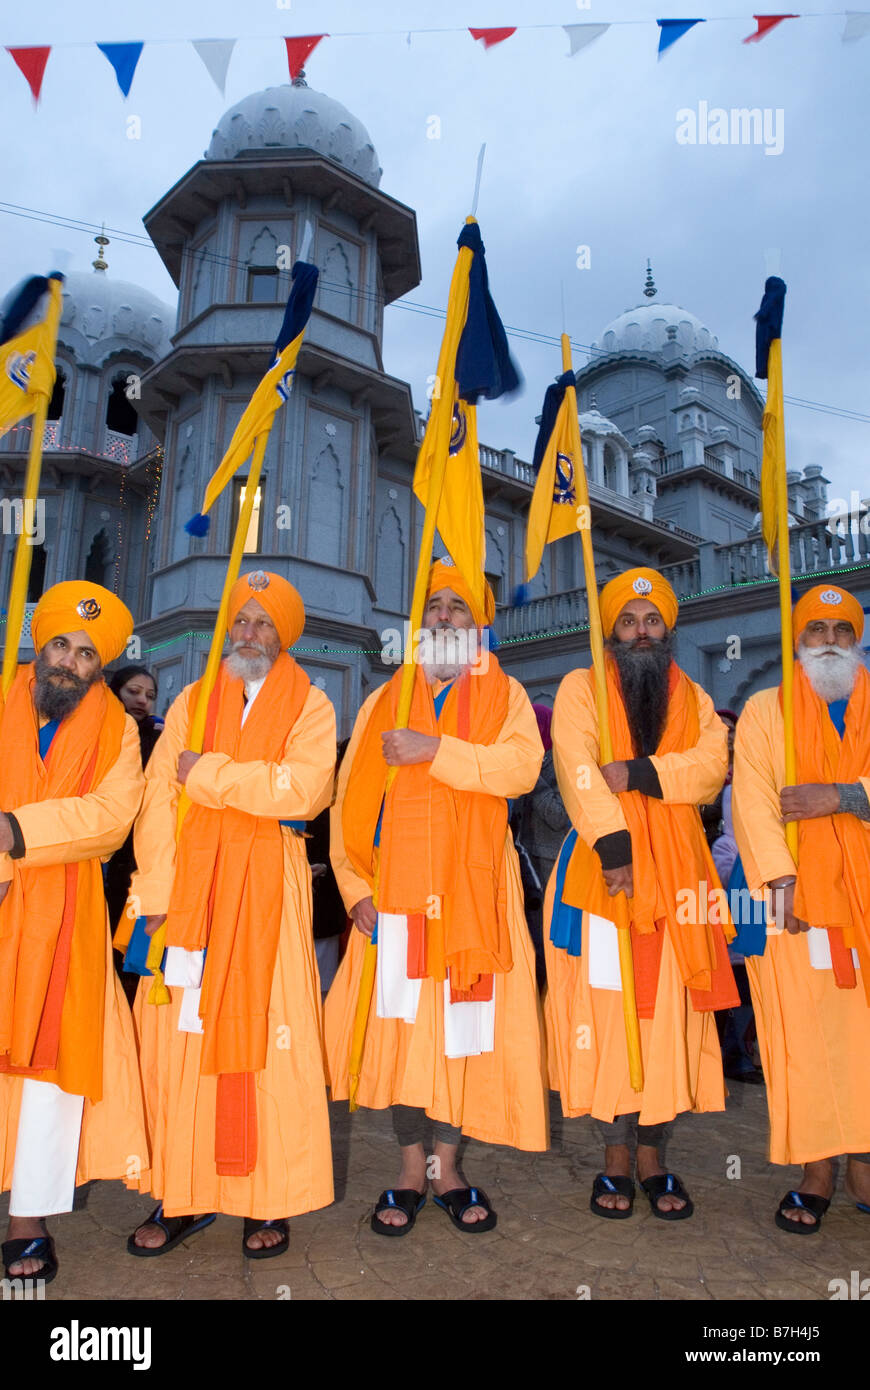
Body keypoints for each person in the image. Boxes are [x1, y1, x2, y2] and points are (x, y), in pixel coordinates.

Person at [325, 558, 548, 1236]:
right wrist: (356, 886)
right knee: (405, 1030)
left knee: (460, 1030)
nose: (446, 616)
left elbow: (521, 769)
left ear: (479, 625)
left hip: (474, 894)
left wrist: (435, 749)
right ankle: (408, 1167)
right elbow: (346, 802)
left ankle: (447, 1170)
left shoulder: (506, 696)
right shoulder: (383, 699)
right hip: (395, 895)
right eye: (437, 606)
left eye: (460, 607)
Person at [124, 570, 336, 1258]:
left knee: (268, 1046)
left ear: (284, 636)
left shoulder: (313, 706)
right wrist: (154, 895)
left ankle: (266, 1196)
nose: (248, 634)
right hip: (190, 895)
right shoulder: (191, 699)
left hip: (268, 892)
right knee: (181, 1042)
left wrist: (206, 774)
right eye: (240, 622)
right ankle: (180, 1192)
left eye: (262, 623)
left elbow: (301, 792)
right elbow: (159, 800)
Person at [545, 567, 738, 1222]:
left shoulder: (694, 696)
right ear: (610, 631)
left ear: (669, 629)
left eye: (651, 621)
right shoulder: (581, 687)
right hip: (605, 873)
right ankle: (615, 1163)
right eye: (627, 621)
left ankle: (655, 1159)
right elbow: (576, 766)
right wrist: (615, 846)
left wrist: (641, 771)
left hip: (680, 879)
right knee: (611, 1015)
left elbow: (713, 767)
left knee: (669, 1021)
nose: (640, 632)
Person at [0, 581, 147, 1286]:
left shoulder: (119, 730)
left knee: (46, 1075)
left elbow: (109, 820)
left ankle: (27, 1220)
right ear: (40, 642)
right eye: (60, 643)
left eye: (87, 654)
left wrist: (15, 834)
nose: (69, 661)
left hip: (65, 914)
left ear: (101, 666)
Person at [732, 582, 870, 1233]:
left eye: (842, 630)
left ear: (857, 638)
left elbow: (837, 796)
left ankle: (865, 1162)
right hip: (798, 905)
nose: (830, 642)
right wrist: (780, 881)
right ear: (797, 639)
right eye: (817, 630)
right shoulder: (766, 709)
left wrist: (845, 796)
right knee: (805, 1041)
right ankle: (816, 1170)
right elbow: (753, 798)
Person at [105, 666, 163, 1005]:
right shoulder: (92, 733)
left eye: (151, 695)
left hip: (136, 855)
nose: (142, 700)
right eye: (133, 691)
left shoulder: (159, 740)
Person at [510, 704, 571, 987]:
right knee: (530, 938)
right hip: (524, 863)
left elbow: (559, 815)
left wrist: (533, 779)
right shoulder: (525, 760)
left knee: (549, 938)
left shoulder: (564, 764)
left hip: (551, 865)